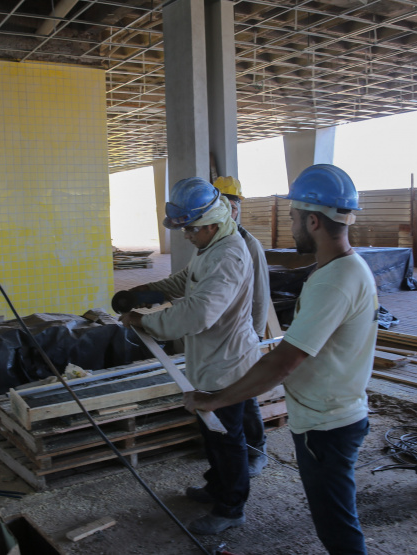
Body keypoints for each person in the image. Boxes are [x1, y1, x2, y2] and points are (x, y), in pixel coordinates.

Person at [185, 164, 378, 554]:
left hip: (328, 425)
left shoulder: (334, 283)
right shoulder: (347, 269)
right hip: (332, 415)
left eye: (292, 218)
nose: (290, 226)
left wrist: (215, 399)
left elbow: (284, 362)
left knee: (337, 525)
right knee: (333, 518)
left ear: (313, 221)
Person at [119, 176, 259, 535]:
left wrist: (144, 321)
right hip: (210, 359)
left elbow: (198, 313)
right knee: (212, 433)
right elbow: (187, 281)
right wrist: (147, 290)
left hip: (227, 365)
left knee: (227, 440)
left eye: (191, 229)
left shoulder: (229, 254)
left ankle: (231, 508)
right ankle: (217, 487)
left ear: (211, 223)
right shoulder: (212, 246)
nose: (186, 236)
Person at [213, 176, 270, 477]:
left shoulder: (249, 244)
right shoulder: (214, 242)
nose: (227, 210)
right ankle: (231, 452)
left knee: (245, 395)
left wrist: (256, 336)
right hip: (221, 334)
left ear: (236, 208)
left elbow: (261, 294)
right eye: (221, 204)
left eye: (231, 204)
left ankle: (257, 449)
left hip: (243, 334)